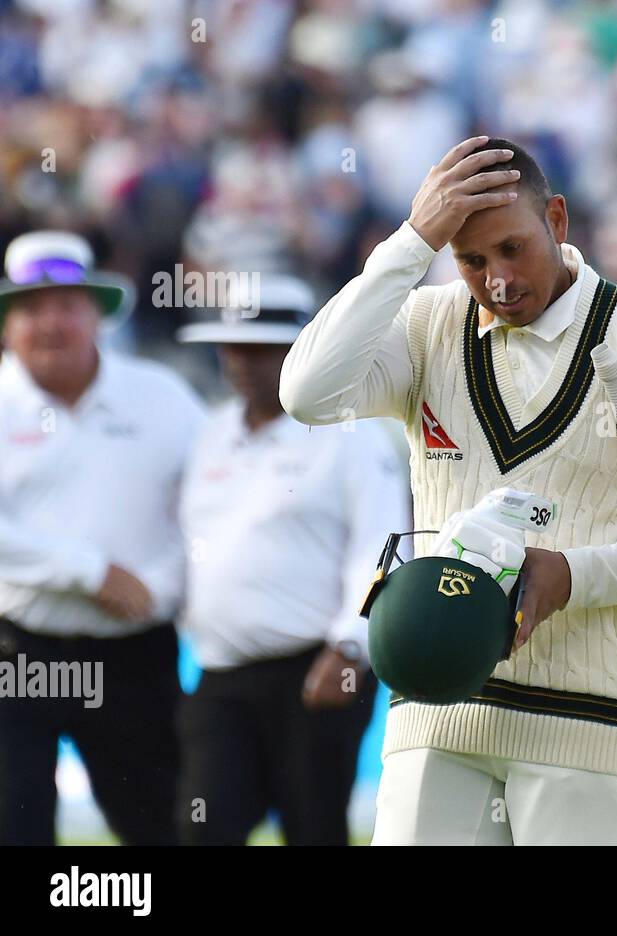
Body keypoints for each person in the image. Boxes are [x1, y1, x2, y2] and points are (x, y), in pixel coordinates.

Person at [279, 137, 617, 845]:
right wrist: (409, 243)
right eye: (471, 259)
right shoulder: (427, 326)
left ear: (558, 218)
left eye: (513, 248)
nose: (498, 281)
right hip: (434, 705)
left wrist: (573, 575)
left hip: (595, 719)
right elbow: (306, 393)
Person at [174, 275, 409, 845]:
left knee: (314, 828)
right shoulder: (209, 433)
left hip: (317, 667)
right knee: (202, 827)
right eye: (232, 348)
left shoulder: (351, 435)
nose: (241, 364)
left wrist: (352, 644)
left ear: (301, 354)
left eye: (260, 350)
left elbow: (388, 547)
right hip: (221, 671)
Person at [0, 230, 202, 845]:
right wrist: (89, 572)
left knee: (157, 828)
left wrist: (160, 589)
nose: (51, 323)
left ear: (98, 314)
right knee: (15, 825)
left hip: (134, 654)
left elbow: (210, 506)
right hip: (17, 653)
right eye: (33, 309)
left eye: (67, 305)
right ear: (9, 323)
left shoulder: (162, 397)